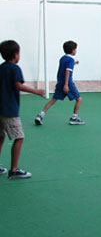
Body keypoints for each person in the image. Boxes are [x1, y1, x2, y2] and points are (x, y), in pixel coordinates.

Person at [0, 40, 45, 179]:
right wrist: (36, 91)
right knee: (19, 137)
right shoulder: (14, 68)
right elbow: (18, 85)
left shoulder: (1, 67)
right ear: (16, 54)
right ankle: (14, 170)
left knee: (1, 136)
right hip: (9, 110)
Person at [35, 41, 85, 125]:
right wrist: (66, 85)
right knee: (79, 99)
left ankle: (40, 115)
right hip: (67, 83)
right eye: (76, 49)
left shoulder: (63, 58)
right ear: (73, 50)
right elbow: (67, 71)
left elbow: (65, 67)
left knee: (53, 100)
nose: (76, 50)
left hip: (60, 82)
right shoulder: (71, 60)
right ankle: (74, 118)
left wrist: (74, 63)